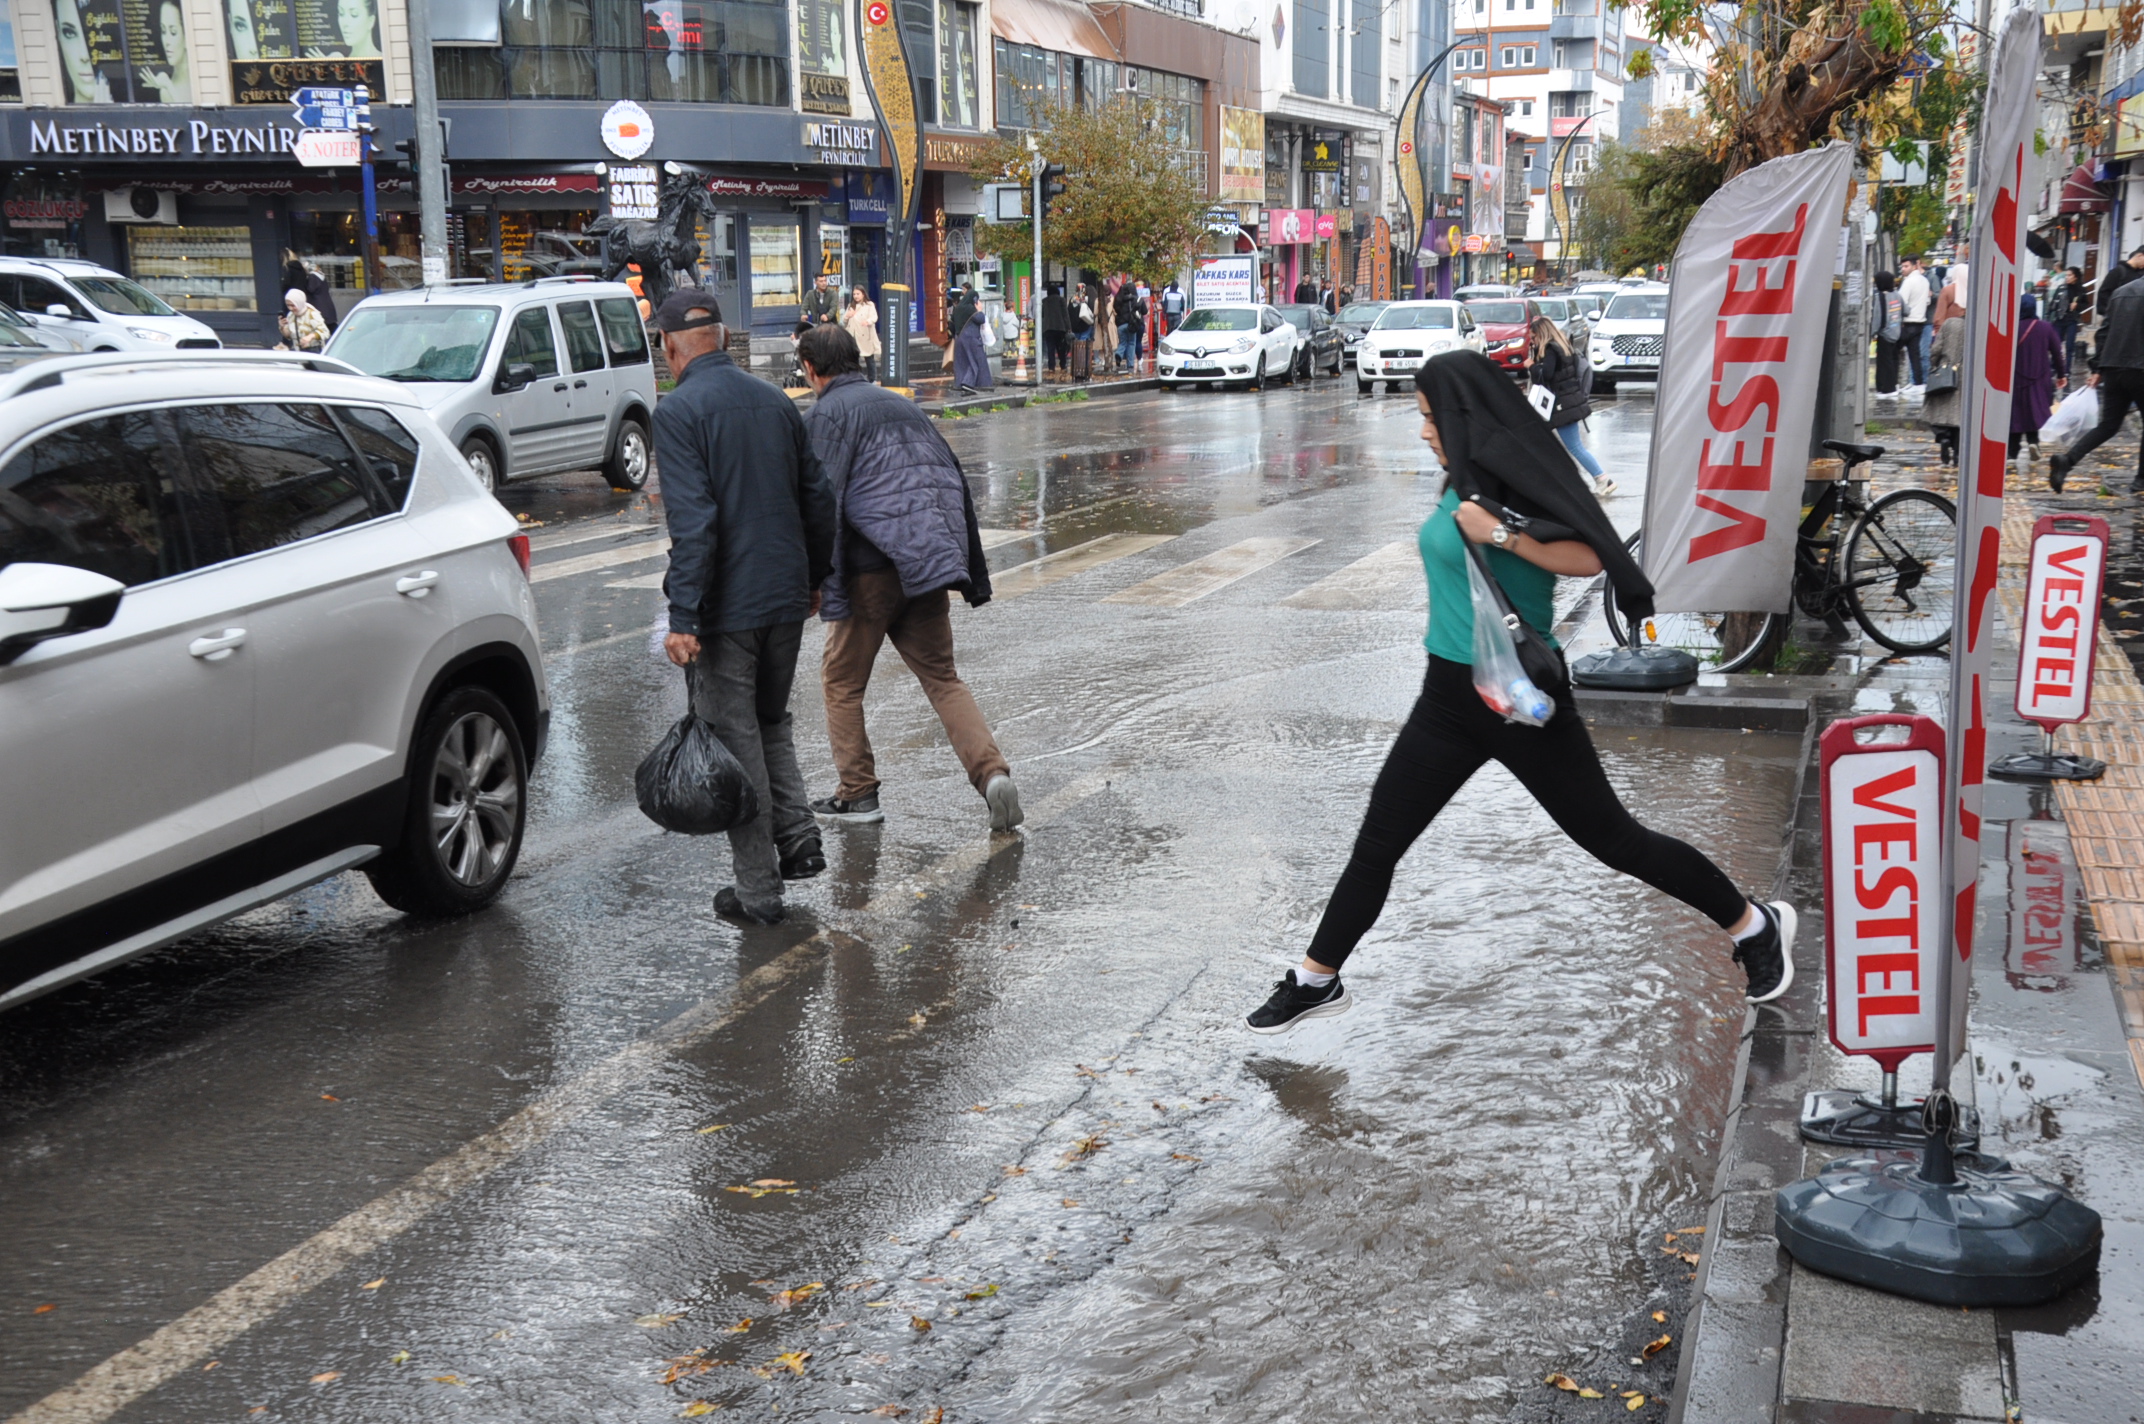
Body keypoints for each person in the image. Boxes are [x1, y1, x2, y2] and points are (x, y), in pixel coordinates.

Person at [1243, 351, 1798, 1035]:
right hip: (1447, 696)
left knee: (1615, 840)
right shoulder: (1463, 476)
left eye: (1427, 417)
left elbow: (1593, 554)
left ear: (1460, 414)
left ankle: (1752, 925)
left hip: (1520, 701)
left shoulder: (1517, 477)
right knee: (1379, 841)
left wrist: (1502, 532)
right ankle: (1316, 978)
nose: (1422, 431)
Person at [651, 288, 837, 925]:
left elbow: (695, 523)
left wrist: (683, 616)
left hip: (729, 608)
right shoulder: (774, 401)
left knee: (738, 742)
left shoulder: (678, 413)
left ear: (672, 347)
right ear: (725, 340)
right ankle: (799, 838)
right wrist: (815, 578)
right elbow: (819, 499)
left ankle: (758, 892)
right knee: (770, 722)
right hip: (786, 595)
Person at [794, 324, 1023, 833]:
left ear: (813, 370)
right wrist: (963, 568)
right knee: (943, 678)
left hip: (869, 571)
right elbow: (951, 478)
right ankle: (992, 776)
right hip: (925, 565)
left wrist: (818, 582)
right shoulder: (904, 406)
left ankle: (857, 794)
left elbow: (820, 504)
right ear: (855, 359)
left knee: (841, 682)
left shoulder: (827, 414)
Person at [2051, 274, 2144, 493]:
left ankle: (2068, 460)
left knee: (2109, 425)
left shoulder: (2121, 292)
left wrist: (2098, 368)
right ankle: (2140, 480)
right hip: (2140, 368)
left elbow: (2104, 332)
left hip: (2113, 367)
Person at [1524, 313, 1614, 499]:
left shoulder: (1550, 349)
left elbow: (1546, 375)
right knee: (1556, 445)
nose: (1532, 341)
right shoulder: (1563, 346)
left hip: (1562, 405)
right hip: (1566, 402)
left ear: (1540, 334)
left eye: (1533, 338)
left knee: (1575, 447)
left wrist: (1532, 365)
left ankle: (1602, 478)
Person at [2010, 293, 2067, 469]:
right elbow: (2057, 352)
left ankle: (2012, 452)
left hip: (2015, 378)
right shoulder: (2045, 327)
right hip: (2039, 377)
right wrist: (2061, 374)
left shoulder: (2012, 328)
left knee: (2015, 413)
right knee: (2033, 410)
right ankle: (2034, 442)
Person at [1921, 291, 1966, 469]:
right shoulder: (1980, 327)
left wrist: (1934, 365)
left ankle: (1943, 437)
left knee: (1939, 411)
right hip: (1967, 377)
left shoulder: (1950, 323)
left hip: (1946, 371)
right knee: (1960, 417)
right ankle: (1957, 454)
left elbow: (1936, 348)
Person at [136, 0, 191, 102]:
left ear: (187, 35)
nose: (167, 41)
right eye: (163, 31)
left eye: (173, 32)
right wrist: (168, 85)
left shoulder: (196, 81)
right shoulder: (165, 91)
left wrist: (168, 86)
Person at [1897, 256, 1931, 390]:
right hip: (1920, 322)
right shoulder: (1924, 281)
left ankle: (1892, 384)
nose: (1903, 269)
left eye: (1906, 266)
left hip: (1907, 322)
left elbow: (1901, 302)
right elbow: (1927, 301)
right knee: (1914, 353)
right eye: (1902, 267)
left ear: (1913, 266)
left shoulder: (1909, 282)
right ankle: (1918, 383)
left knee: (1893, 351)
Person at [1871, 269, 1904, 399]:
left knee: (1884, 362)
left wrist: (1872, 333)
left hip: (1885, 333)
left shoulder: (1880, 297)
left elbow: (1877, 318)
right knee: (1893, 360)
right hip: (1897, 332)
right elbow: (1906, 310)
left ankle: (1887, 389)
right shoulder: (1897, 295)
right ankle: (1893, 385)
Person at [282, 258, 337, 331]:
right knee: (331, 326)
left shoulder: (313, 277)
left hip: (319, 306)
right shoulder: (321, 275)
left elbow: (310, 288)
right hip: (326, 305)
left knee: (326, 327)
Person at [952, 297, 994, 392]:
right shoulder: (970, 310)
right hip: (972, 339)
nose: (979, 303)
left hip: (960, 339)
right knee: (975, 361)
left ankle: (960, 383)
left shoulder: (959, 309)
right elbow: (981, 319)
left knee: (963, 363)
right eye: (978, 301)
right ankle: (968, 383)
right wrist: (979, 310)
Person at [842, 285, 881, 382]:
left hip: (865, 335)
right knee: (853, 359)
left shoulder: (869, 305)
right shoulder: (850, 306)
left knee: (869, 358)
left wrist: (867, 321)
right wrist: (847, 316)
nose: (856, 296)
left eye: (858, 294)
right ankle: (855, 378)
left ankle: (872, 379)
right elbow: (844, 321)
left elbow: (874, 317)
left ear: (863, 294)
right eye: (854, 294)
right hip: (853, 335)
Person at [2051, 265, 2085, 374]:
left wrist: (2077, 305)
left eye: (2070, 275)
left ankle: (2067, 370)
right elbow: (2053, 304)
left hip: (2072, 321)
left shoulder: (2080, 290)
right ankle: (2053, 367)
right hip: (2059, 320)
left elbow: (2085, 304)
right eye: (2066, 275)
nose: (2067, 277)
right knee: (2056, 345)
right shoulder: (2061, 288)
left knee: (2070, 346)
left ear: (2075, 277)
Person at [1113, 281, 1146, 371]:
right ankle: (1130, 364)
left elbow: (1116, 310)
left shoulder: (1119, 299)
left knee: (1122, 343)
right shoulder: (1136, 299)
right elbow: (1145, 311)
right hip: (1131, 324)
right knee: (1132, 343)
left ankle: (1119, 354)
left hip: (1120, 325)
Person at [1041, 283, 1070, 378]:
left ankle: (1051, 367)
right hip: (1060, 328)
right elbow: (1065, 315)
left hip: (1048, 328)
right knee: (1061, 348)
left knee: (1050, 349)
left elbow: (1042, 315)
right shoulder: (1061, 300)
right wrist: (1068, 328)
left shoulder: (1044, 301)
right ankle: (1063, 366)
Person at [943, 285, 974, 374]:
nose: (962, 291)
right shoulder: (970, 308)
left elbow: (953, 322)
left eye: (964, 289)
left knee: (960, 358)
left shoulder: (961, 307)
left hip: (959, 335)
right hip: (966, 336)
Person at [1069, 283, 1095, 381]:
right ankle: (1083, 369)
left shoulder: (1072, 299)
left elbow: (1069, 312)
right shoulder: (1087, 299)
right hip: (1085, 326)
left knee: (1076, 347)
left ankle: (1076, 368)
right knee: (1084, 347)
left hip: (1074, 327)